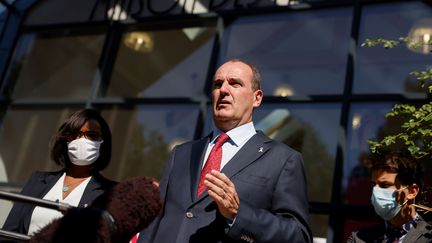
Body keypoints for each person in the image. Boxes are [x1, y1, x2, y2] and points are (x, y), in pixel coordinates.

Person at [138, 59, 313, 243]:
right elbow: (155, 222)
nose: (223, 90)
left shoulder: (283, 159)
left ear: (257, 98)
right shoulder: (181, 153)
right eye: (218, 84)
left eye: (235, 83)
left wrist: (238, 214)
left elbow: (298, 236)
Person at [1, 108, 117, 240]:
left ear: (103, 144)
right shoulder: (38, 180)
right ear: (65, 141)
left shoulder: (110, 193)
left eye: (92, 135)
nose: (82, 140)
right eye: (74, 134)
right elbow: (8, 233)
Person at [347, 151, 432, 242]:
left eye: (385, 185)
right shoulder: (358, 238)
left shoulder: (428, 236)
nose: (376, 192)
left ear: (412, 191)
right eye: (373, 185)